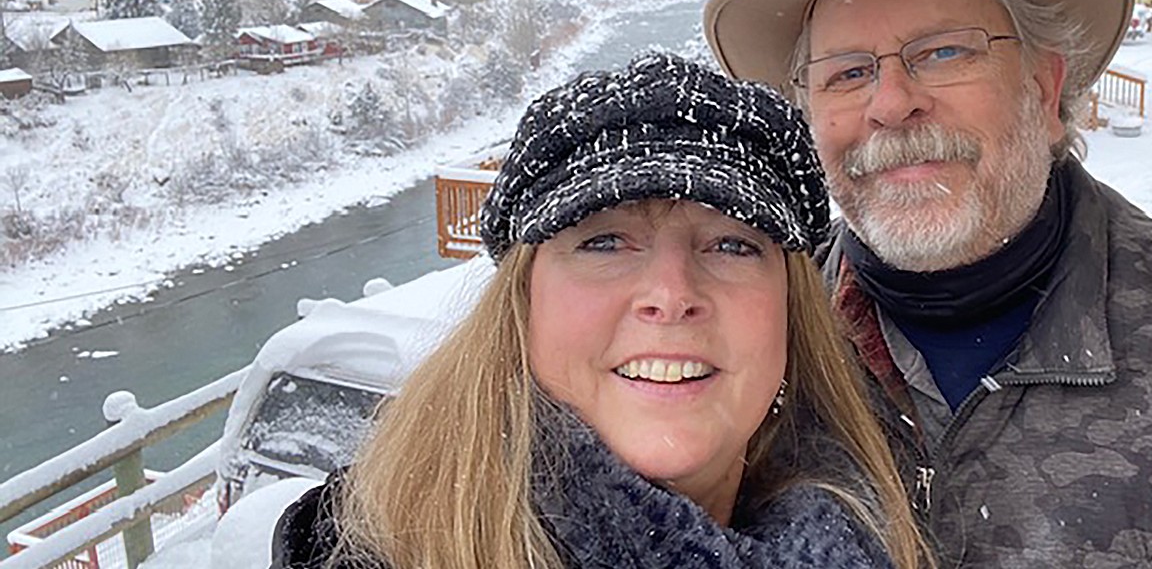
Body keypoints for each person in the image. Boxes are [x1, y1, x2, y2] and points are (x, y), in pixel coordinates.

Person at [270, 53, 932, 568]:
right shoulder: (369, 548)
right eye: (605, 241)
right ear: (522, 303)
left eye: (732, 245)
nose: (670, 295)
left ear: (791, 312)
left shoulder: (875, 529)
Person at [704, 0, 1152, 567]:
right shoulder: (751, 337)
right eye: (847, 73)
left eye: (944, 52)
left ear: (1045, 92)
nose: (891, 105)